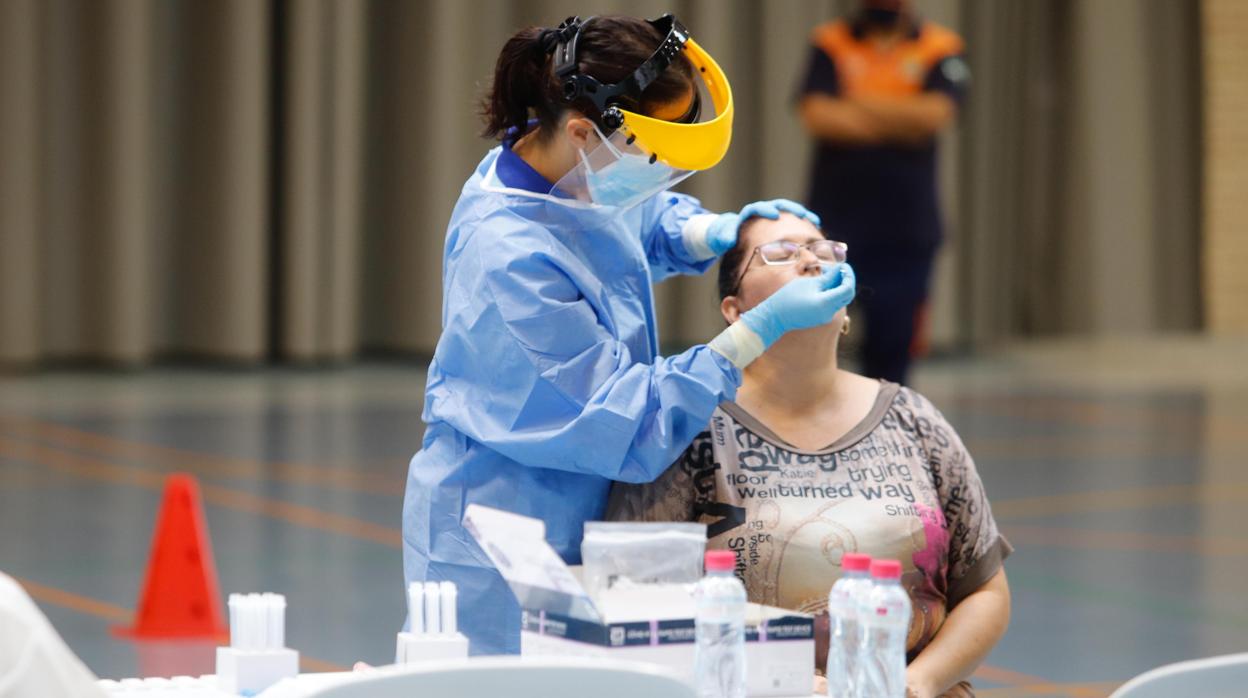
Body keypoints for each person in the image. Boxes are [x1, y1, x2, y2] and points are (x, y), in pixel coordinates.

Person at [402, 14, 857, 655]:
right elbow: (625, 422)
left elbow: (628, 214)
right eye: (656, 157)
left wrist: (717, 232)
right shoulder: (510, 256)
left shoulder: (563, 167)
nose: (659, 174)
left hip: (582, 513)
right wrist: (760, 330)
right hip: (499, 536)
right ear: (586, 131)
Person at [608, 212, 1010, 698]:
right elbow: (631, 603)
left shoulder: (914, 419)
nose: (809, 260)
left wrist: (914, 682)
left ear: (845, 310)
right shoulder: (689, 427)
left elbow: (985, 592)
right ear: (735, 311)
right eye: (780, 252)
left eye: (825, 251)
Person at [797, 0, 970, 386]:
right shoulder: (830, 43)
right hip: (835, 221)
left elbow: (937, 114)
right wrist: (903, 122)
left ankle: (887, 430)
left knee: (893, 350)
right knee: (811, 339)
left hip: (907, 226)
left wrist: (855, 102)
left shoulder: (941, 47)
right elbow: (818, 114)